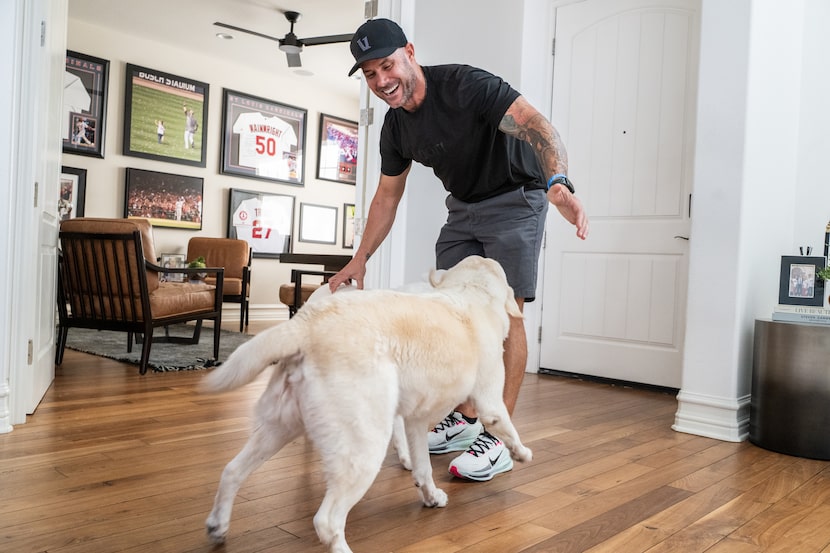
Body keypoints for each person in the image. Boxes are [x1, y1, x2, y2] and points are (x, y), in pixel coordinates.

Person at [326, 18, 589, 482]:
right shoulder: (395, 129)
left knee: (506, 316)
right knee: (453, 315)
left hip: (516, 197)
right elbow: (387, 197)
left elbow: (537, 126)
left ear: (410, 51)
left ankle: (499, 437)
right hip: (464, 207)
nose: (382, 81)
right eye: (369, 74)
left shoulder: (467, 85)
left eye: (387, 65)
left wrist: (558, 181)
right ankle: (465, 419)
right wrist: (359, 258)